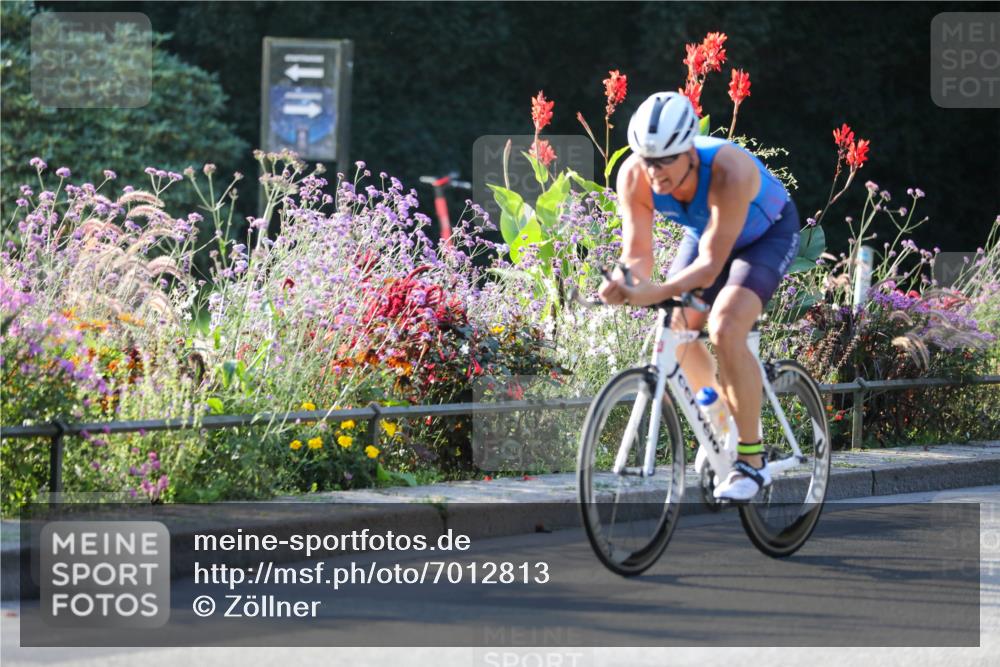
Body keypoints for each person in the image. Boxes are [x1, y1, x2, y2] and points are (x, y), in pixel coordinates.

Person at [598, 91, 801, 501]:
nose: (654, 173)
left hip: (765, 236)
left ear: (690, 149)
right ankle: (721, 418)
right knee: (676, 327)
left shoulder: (728, 169)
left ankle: (752, 461)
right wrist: (622, 281)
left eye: (665, 160)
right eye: (646, 159)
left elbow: (710, 266)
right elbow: (637, 254)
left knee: (725, 324)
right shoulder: (634, 175)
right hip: (706, 235)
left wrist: (656, 290)